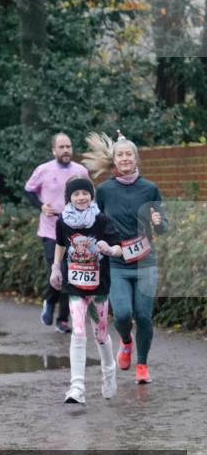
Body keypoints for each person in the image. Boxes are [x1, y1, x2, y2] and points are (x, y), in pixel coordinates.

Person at [87, 132, 168, 385]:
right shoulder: (104, 190)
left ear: (136, 158)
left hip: (145, 261)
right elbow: (95, 224)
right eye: (120, 154)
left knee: (143, 316)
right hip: (116, 263)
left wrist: (158, 221)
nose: (125, 158)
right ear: (114, 159)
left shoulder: (150, 188)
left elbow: (162, 227)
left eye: (129, 154)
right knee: (122, 314)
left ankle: (142, 365)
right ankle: (125, 341)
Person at [49, 175, 122, 404]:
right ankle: (77, 387)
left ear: (91, 195)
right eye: (76, 194)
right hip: (75, 286)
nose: (81, 197)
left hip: (98, 286)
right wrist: (55, 268)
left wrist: (109, 250)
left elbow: (119, 248)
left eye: (85, 193)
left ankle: (109, 371)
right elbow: (61, 244)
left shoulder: (100, 219)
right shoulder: (63, 221)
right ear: (69, 197)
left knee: (100, 334)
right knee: (79, 331)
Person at [25, 133, 89, 333]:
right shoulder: (43, 170)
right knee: (59, 270)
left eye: (68, 146)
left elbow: (89, 196)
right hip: (50, 231)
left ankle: (62, 320)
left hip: (75, 232)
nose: (66, 150)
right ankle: (50, 301)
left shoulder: (81, 171)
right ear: (53, 150)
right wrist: (41, 206)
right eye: (61, 147)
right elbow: (28, 190)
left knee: (69, 274)